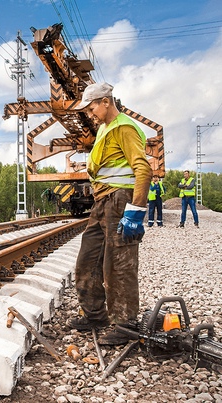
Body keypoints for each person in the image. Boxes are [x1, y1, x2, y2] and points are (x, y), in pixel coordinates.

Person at [66, 83, 152, 345]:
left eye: (91, 106)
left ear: (105, 102)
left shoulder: (123, 128)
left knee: (119, 263)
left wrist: (135, 212)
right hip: (102, 201)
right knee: (88, 259)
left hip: (119, 200)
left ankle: (126, 324)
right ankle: (95, 314)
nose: (90, 112)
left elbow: (143, 170)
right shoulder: (105, 128)